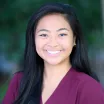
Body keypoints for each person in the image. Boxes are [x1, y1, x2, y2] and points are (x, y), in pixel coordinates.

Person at [2, 3, 104, 104]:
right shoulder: (20, 82)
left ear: (74, 39)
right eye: (44, 34)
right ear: (33, 39)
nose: (53, 43)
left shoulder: (89, 88)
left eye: (62, 34)